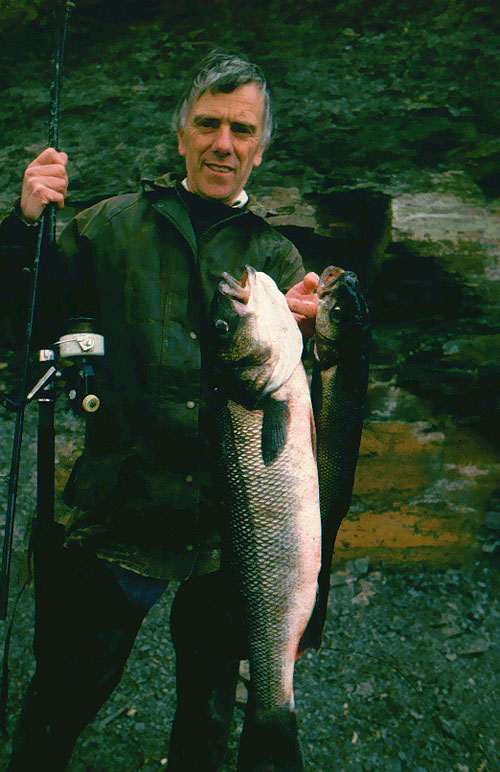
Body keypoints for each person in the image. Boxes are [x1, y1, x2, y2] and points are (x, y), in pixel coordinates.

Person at [0, 51, 320, 771]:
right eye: (207, 124)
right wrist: (25, 227)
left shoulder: (273, 254)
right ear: (180, 135)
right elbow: (23, 313)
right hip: (122, 508)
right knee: (63, 696)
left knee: (207, 722)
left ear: (261, 149)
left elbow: (306, 402)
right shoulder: (110, 227)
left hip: (230, 539)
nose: (223, 144)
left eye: (242, 130)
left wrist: (317, 332)